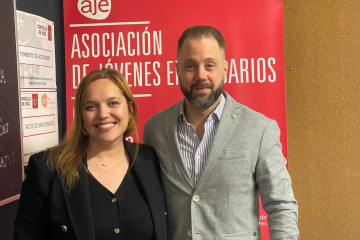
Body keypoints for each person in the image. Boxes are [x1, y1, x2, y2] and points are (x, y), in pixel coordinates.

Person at [143, 25, 299, 239]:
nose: (201, 75)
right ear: (177, 69)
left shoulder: (260, 129)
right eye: (190, 66)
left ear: (225, 68)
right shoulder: (155, 129)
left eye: (209, 65)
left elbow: (281, 205)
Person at [14, 68, 167, 240]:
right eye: (90, 107)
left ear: (130, 109)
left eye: (113, 103)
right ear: (81, 115)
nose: (103, 114)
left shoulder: (150, 160)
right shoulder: (47, 169)